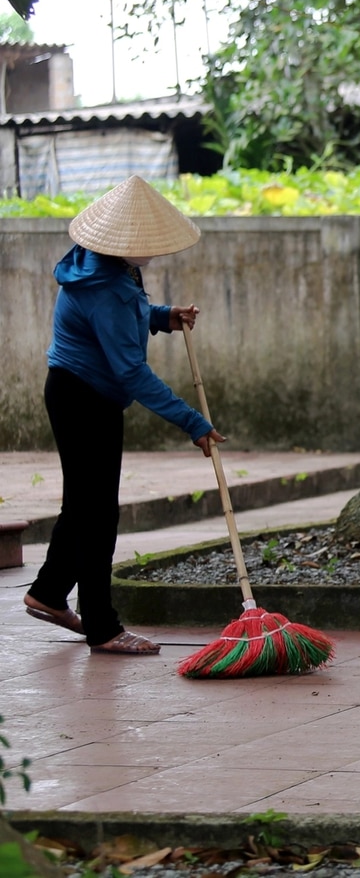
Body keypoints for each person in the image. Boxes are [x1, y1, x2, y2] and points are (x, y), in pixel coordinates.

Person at [23, 176, 223, 654]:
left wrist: (161, 316)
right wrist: (193, 422)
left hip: (86, 394)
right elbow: (131, 372)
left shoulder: (106, 268)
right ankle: (103, 626)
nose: (151, 253)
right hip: (83, 399)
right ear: (122, 244)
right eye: (144, 245)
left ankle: (49, 594)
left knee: (85, 506)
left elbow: (126, 312)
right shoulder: (105, 285)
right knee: (97, 515)